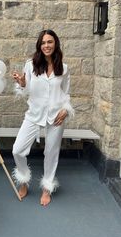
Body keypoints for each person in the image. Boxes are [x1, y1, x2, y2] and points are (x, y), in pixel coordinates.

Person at [12, 29, 74, 206]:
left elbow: (66, 93)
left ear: (56, 44)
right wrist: (23, 84)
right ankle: (23, 181)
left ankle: (47, 188)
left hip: (56, 116)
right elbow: (25, 90)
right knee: (17, 149)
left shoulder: (64, 68)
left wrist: (66, 109)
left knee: (51, 152)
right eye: (44, 42)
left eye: (50, 42)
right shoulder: (30, 65)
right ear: (39, 45)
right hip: (34, 114)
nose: (47, 45)